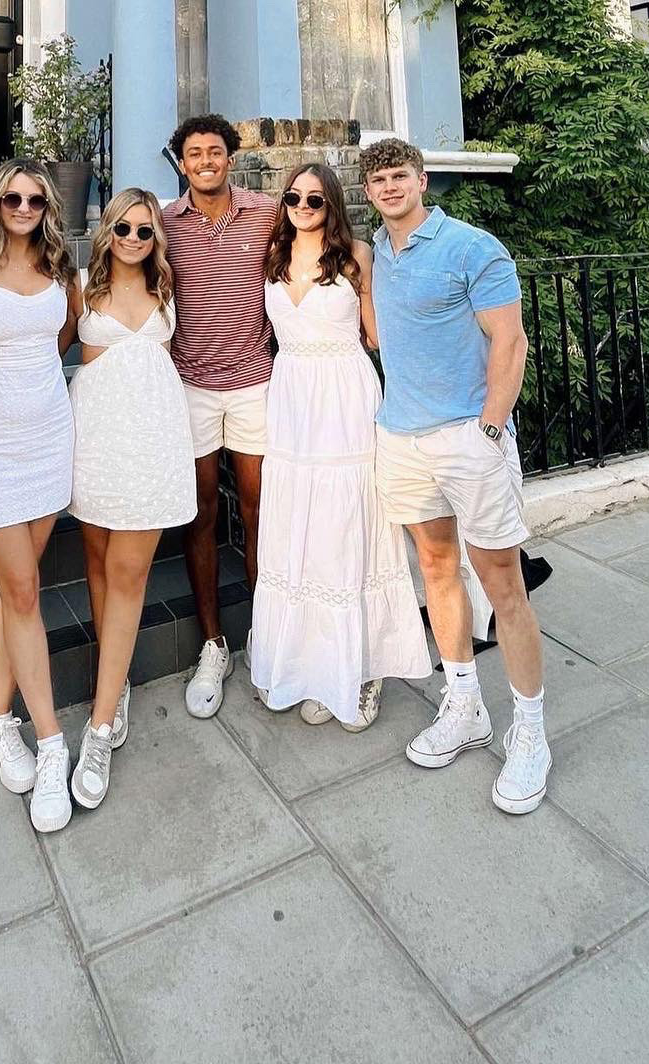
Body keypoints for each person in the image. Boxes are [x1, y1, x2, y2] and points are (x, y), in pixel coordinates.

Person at [362, 138, 549, 815]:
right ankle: (465, 703)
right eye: (378, 179)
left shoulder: (472, 246)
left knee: (503, 583)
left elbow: (511, 339)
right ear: (369, 190)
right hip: (402, 438)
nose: (390, 187)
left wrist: (491, 429)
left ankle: (530, 730)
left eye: (399, 176)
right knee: (436, 571)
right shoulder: (376, 252)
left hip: (469, 436)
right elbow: (380, 334)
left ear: (422, 179)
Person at [250, 162, 431, 728]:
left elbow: (378, 334)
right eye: (294, 198)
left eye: (315, 199)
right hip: (293, 402)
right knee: (302, 530)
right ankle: (311, 664)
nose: (303, 206)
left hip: (345, 398)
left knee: (349, 522)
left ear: (331, 203)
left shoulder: (357, 255)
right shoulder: (274, 258)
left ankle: (363, 667)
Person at [0, 159, 82, 833]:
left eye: (36, 198)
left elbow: (61, 339)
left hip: (47, 437)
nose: (26, 206)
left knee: (17, 590)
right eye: (13, 197)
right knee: (26, 592)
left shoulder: (61, 269)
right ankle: (52, 742)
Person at [67, 189, 196, 807]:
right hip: (94, 441)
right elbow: (44, 352)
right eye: (124, 228)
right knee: (96, 564)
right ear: (106, 228)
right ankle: (112, 685)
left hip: (151, 446)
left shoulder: (168, 290)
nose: (134, 239)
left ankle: (96, 729)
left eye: (146, 231)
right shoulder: (80, 287)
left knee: (127, 571)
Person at [160, 114, 276, 718]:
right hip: (192, 386)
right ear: (181, 162)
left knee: (259, 511)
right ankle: (213, 643)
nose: (204, 160)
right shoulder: (161, 221)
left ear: (230, 157)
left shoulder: (266, 212)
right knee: (201, 512)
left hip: (257, 382)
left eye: (214, 151)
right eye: (193, 152)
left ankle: (266, 633)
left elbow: (323, 237)